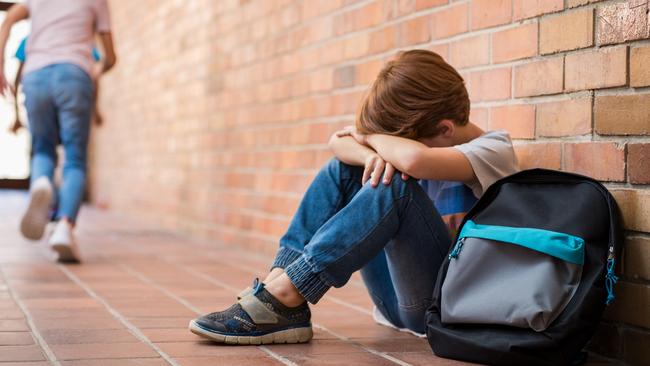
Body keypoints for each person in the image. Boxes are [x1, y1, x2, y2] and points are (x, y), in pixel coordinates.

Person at [188, 50, 519, 344]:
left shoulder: (494, 149)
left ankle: (287, 291)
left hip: (441, 306)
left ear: (445, 130)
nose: (392, 146)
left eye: (401, 141)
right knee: (345, 169)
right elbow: (338, 143)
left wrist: (368, 138)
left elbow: (414, 159)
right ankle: (280, 292)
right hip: (394, 302)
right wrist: (366, 150)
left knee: (396, 187)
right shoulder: (418, 144)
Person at [0, 0, 116, 262]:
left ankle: (42, 183)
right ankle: (64, 227)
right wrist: (97, 70)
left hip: (35, 75)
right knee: (74, 158)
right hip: (74, 73)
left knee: (42, 149)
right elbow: (110, 56)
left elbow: (7, 19)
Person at [9, 36, 104, 133]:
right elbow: (92, 75)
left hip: (45, 95)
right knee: (72, 140)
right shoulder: (79, 36)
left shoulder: (30, 39)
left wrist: (16, 116)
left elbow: (17, 80)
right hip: (67, 93)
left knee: (43, 142)